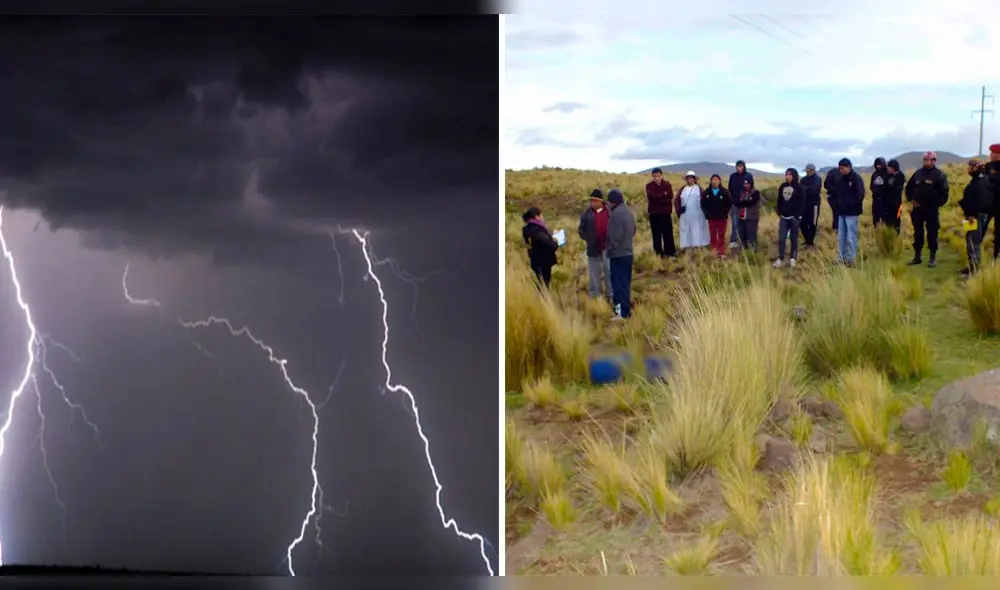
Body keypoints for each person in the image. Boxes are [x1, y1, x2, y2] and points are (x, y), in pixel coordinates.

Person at [904, 151, 950, 268]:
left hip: (931, 210)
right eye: (924, 160)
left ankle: (932, 258)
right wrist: (911, 200)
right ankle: (917, 257)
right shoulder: (918, 174)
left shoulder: (939, 175)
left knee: (932, 233)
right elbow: (908, 189)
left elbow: (944, 193)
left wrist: (936, 204)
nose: (926, 162)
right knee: (918, 233)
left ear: (934, 161)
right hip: (918, 209)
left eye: (928, 160)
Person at [606, 188, 636, 320]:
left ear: (612, 202)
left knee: (618, 284)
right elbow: (634, 229)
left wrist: (610, 249)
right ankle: (624, 311)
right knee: (625, 283)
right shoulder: (628, 212)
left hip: (618, 255)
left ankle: (622, 313)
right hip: (628, 253)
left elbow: (615, 237)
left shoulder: (616, 215)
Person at [830, 158, 865, 265]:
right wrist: (837, 205)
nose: (841, 170)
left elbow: (860, 195)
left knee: (851, 236)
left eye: (842, 168)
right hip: (841, 212)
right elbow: (837, 193)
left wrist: (850, 204)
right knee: (841, 236)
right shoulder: (841, 180)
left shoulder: (856, 178)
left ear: (848, 167)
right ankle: (841, 257)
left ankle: (850, 258)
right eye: (839, 168)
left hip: (852, 213)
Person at [958, 159, 990, 276]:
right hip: (977, 215)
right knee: (973, 242)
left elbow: (978, 201)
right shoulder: (982, 180)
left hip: (974, 217)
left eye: (971, 166)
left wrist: (972, 214)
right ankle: (972, 267)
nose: (968, 169)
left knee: (973, 243)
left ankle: (974, 271)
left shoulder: (977, 183)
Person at [578, 188, 612, 299]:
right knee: (594, 273)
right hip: (593, 247)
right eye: (591, 200)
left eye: (594, 200)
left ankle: (610, 294)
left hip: (607, 246)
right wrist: (587, 237)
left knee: (609, 270)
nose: (592, 203)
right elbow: (581, 229)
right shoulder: (586, 213)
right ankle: (595, 295)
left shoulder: (609, 211)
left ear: (601, 201)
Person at [774, 167, 805, 268]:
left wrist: (798, 216)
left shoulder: (800, 187)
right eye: (786, 174)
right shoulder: (782, 186)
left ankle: (793, 258)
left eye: (790, 174)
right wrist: (779, 210)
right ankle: (780, 258)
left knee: (793, 239)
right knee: (782, 238)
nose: (787, 176)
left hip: (794, 218)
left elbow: (802, 203)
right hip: (783, 217)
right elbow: (779, 199)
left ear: (794, 175)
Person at [522, 206, 558, 288]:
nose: (543, 217)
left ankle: (541, 298)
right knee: (544, 283)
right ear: (536, 216)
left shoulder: (527, 229)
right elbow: (547, 243)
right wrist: (556, 242)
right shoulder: (537, 230)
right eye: (541, 215)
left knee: (541, 282)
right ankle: (543, 299)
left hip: (535, 260)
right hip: (543, 261)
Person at [645, 168, 677, 258]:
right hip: (654, 214)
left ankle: (670, 252)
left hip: (665, 213)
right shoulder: (649, 186)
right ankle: (658, 253)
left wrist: (659, 197)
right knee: (656, 234)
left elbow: (670, 196)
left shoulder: (667, 185)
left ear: (661, 175)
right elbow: (652, 196)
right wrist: (663, 194)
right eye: (654, 176)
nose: (656, 178)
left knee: (668, 233)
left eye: (658, 176)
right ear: (652, 176)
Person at [676, 171, 710, 250]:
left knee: (697, 229)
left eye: (691, 178)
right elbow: (677, 200)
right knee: (686, 229)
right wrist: (679, 210)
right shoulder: (682, 189)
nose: (690, 180)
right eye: (688, 178)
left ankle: (698, 245)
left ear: (694, 179)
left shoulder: (699, 189)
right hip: (686, 214)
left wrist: (706, 211)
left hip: (697, 213)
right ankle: (687, 245)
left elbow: (705, 200)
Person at [700, 173, 732, 257]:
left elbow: (729, 203)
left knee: (721, 234)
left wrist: (725, 213)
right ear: (711, 181)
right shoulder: (707, 192)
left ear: (719, 181)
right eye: (713, 180)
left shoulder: (724, 192)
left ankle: (721, 252)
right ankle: (714, 251)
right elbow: (702, 204)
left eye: (716, 180)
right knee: (713, 234)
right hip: (711, 218)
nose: (714, 182)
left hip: (722, 218)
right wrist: (706, 214)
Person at [727, 160, 754, 248]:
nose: (739, 168)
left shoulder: (748, 176)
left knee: (745, 224)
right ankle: (734, 241)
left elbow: (751, 188)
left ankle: (746, 241)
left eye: (740, 166)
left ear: (744, 167)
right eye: (737, 167)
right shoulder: (733, 176)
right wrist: (732, 200)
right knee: (735, 223)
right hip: (735, 204)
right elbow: (729, 189)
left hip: (745, 205)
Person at [732, 177, 761, 250]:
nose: (746, 185)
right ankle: (744, 250)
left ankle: (753, 252)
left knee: (751, 236)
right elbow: (736, 203)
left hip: (752, 217)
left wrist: (743, 202)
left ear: (751, 183)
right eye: (744, 184)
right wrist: (745, 202)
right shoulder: (740, 192)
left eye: (747, 183)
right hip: (741, 216)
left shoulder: (755, 192)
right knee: (742, 235)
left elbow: (752, 202)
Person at [800, 163, 822, 248]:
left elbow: (814, 189)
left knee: (812, 223)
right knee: (802, 224)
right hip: (804, 204)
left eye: (808, 171)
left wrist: (805, 189)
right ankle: (807, 240)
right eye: (806, 171)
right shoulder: (803, 179)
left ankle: (810, 243)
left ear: (812, 170)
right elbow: (800, 189)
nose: (807, 173)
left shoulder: (817, 179)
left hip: (814, 205)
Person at [984, 144, 1000, 260]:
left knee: (998, 232)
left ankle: (996, 255)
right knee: (979, 229)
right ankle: (974, 258)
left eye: (993, 153)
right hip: (987, 204)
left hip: (999, 205)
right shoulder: (987, 166)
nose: (990, 155)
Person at [883, 159, 906, 235]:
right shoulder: (888, 176)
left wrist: (889, 187)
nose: (887, 169)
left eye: (889, 168)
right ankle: (889, 238)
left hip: (897, 205)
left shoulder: (901, 176)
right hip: (888, 204)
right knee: (887, 222)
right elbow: (885, 187)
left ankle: (896, 239)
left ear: (893, 168)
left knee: (897, 221)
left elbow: (894, 188)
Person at [870, 157, 889, 227]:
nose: (878, 166)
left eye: (880, 164)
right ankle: (876, 230)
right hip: (876, 200)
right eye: (877, 164)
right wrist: (875, 191)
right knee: (875, 217)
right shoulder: (875, 174)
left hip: (885, 200)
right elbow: (871, 186)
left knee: (885, 219)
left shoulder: (887, 173)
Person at [824, 166, 840, 232]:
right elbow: (826, 184)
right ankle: (836, 229)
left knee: (839, 213)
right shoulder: (832, 173)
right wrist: (835, 191)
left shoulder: (847, 173)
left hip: (842, 197)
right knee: (836, 212)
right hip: (832, 196)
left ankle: (838, 229)